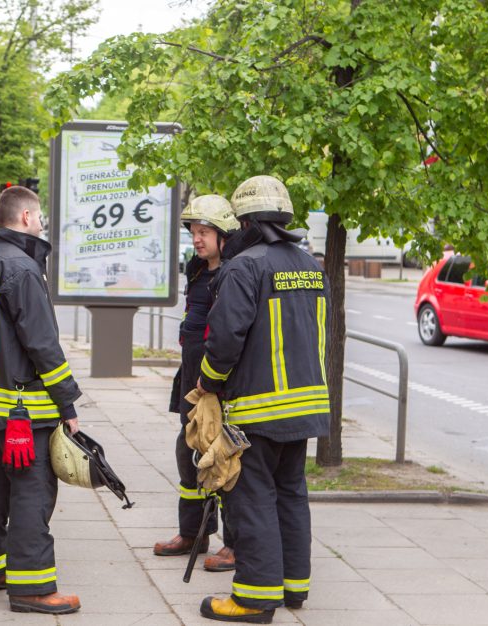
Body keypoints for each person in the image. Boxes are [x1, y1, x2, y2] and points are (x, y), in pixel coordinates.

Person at [196, 176, 330, 624]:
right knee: (291, 494)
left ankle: (254, 599)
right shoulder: (312, 265)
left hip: (257, 411)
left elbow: (225, 341)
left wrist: (208, 384)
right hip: (306, 409)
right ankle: (293, 586)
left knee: (251, 499)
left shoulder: (244, 267)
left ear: (246, 222)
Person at [0, 185, 83, 615]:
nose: (42, 224)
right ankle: (31, 587)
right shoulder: (24, 269)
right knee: (32, 489)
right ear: (27, 218)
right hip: (24, 409)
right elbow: (42, 345)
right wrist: (67, 403)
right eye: (40, 217)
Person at [155, 195, 239, 572]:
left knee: (224, 461)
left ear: (224, 235)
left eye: (204, 232)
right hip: (192, 379)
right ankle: (194, 533)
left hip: (218, 385)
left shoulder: (235, 273)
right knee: (187, 454)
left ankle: (236, 543)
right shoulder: (197, 270)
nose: (197, 239)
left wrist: (214, 381)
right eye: (194, 232)